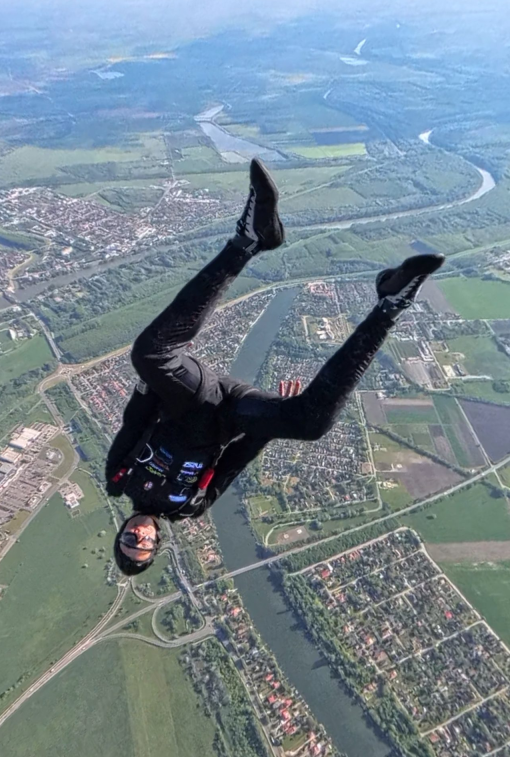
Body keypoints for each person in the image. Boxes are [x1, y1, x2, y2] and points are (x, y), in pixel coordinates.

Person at [106, 159, 444, 575]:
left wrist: (155, 376)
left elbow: (134, 421)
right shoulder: (192, 505)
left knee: (148, 353)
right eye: (145, 546)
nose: (139, 537)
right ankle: (390, 304)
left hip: (186, 399)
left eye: (129, 541)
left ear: (121, 533)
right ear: (157, 543)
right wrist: (272, 420)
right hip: (230, 416)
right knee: (310, 424)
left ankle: (248, 240)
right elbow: (237, 458)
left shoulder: (120, 478)